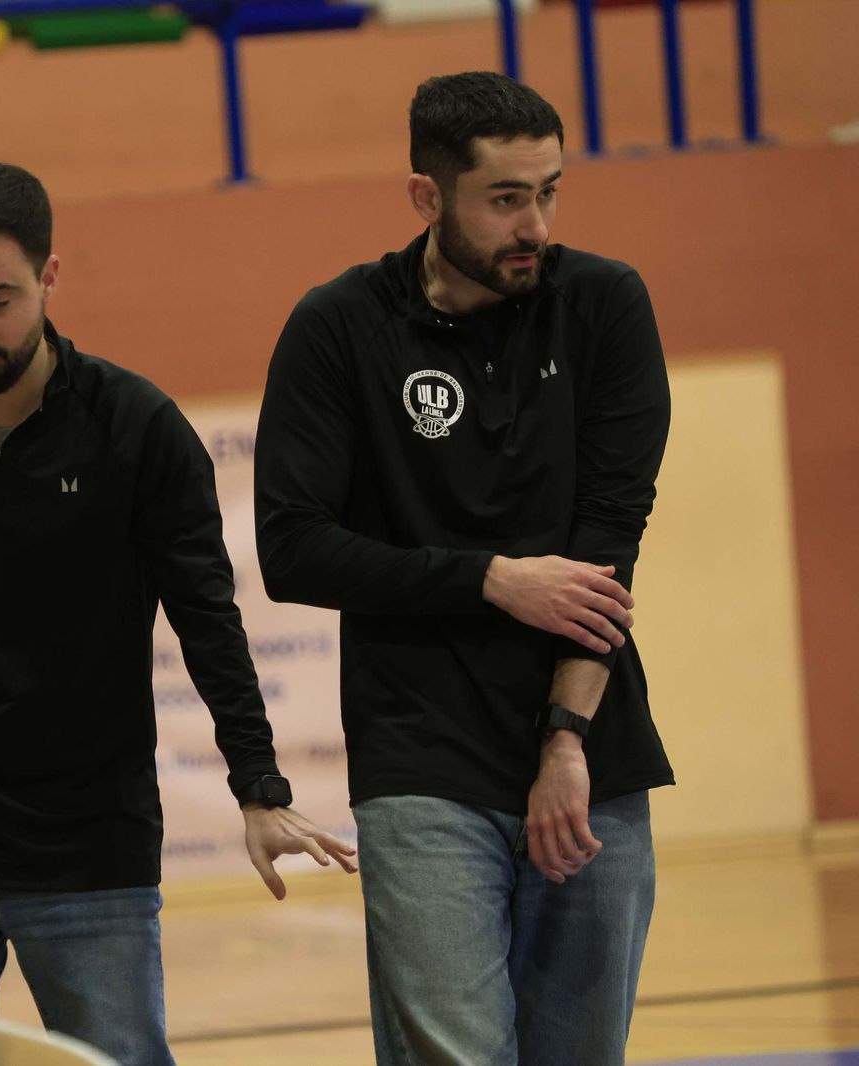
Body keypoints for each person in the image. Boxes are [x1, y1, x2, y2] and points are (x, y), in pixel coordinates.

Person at [0, 157, 357, 1066]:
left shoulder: (138, 428)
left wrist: (259, 787)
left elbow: (207, 618)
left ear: (52, 277)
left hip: (92, 848)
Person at [253, 72, 673, 1065]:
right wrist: (489, 577)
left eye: (549, 192)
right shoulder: (339, 327)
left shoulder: (604, 305)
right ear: (426, 197)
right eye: (505, 198)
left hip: (587, 753)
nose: (534, 223)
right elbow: (291, 545)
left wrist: (566, 738)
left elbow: (612, 534)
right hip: (420, 756)